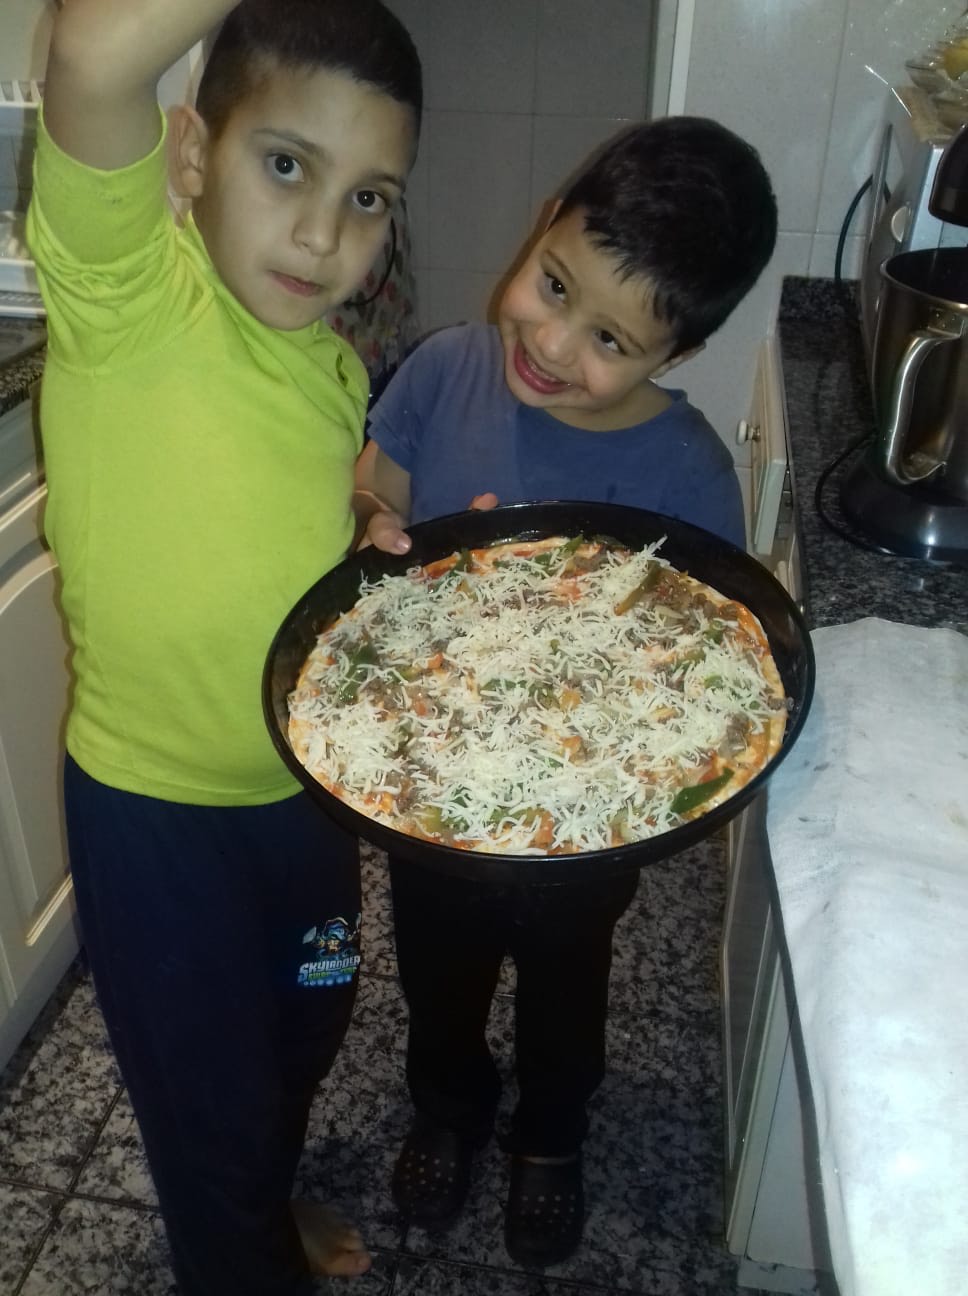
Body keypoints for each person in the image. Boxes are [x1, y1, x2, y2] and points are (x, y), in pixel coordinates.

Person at [27, 1, 421, 1292]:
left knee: (312, 1013)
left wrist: (365, 528)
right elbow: (92, 56)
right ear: (193, 153)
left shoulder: (332, 369)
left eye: (368, 198)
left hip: (305, 802)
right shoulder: (133, 300)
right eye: (287, 165)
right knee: (209, 1106)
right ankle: (237, 1243)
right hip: (159, 825)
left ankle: (260, 1195)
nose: (322, 235)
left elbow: (295, 503)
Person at [354, 116, 777, 1267]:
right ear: (542, 225)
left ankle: (550, 1131)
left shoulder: (687, 473)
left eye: (608, 340)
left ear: (673, 354)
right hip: (429, 785)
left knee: (565, 976)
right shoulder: (444, 370)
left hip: (583, 815)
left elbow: (699, 655)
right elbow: (374, 490)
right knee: (434, 969)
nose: (549, 343)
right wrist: (374, 524)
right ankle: (447, 1103)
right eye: (551, 284)